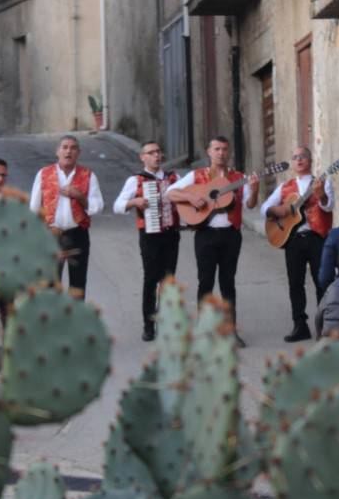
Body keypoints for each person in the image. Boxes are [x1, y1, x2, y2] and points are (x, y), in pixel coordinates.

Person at [167, 135, 260, 348]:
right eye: (217, 149)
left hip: (230, 235)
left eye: (224, 149)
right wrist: (191, 198)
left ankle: (231, 330)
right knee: (205, 282)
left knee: (228, 283)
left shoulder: (238, 177)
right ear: (209, 152)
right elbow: (170, 193)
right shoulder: (196, 175)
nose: (221, 153)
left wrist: (254, 189)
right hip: (205, 235)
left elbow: (251, 205)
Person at [260, 146, 335, 342]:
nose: (299, 160)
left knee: (322, 282)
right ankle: (299, 326)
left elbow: (328, 206)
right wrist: (279, 211)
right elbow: (265, 208)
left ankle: (324, 326)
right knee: (295, 283)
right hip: (293, 240)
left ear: (310, 161)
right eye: (295, 157)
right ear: (292, 163)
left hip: (317, 237)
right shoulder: (285, 187)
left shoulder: (322, 182)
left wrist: (321, 195)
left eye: (303, 156)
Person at [113, 140, 181, 341]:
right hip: (149, 236)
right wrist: (134, 202)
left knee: (168, 280)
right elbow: (117, 206)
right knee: (151, 279)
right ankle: (148, 325)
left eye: (158, 152)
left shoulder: (174, 178)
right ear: (142, 157)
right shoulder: (136, 180)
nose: (156, 156)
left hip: (171, 233)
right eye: (151, 153)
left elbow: (188, 197)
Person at [29, 135, 104, 299]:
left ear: (79, 153)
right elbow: (34, 208)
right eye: (64, 147)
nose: (68, 151)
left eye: (73, 148)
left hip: (77, 234)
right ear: (57, 151)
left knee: (77, 285)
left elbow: (97, 206)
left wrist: (79, 196)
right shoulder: (44, 173)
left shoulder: (88, 175)